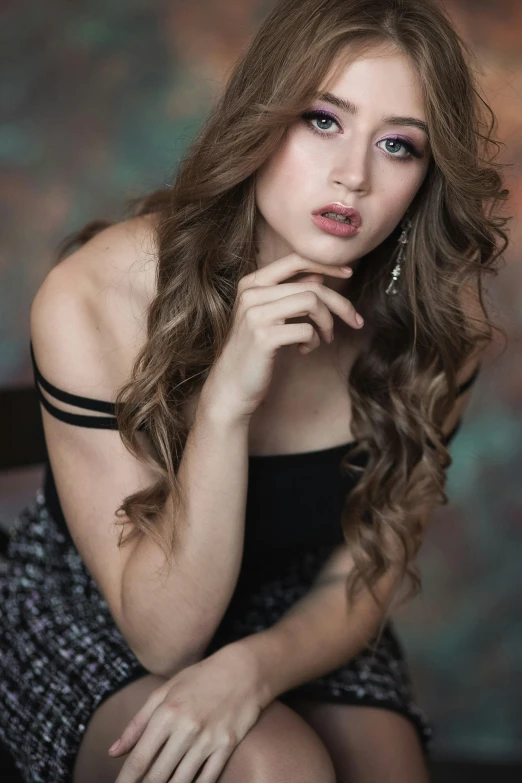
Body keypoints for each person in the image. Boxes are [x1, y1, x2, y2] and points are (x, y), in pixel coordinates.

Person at [0, 0, 510, 781]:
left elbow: (364, 568)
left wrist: (254, 669)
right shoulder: (95, 296)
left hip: (294, 599)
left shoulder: (438, 323)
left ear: (424, 176)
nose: (354, 175)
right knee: (276, 765)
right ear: (262, 117)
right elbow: (162, 637)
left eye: (398, 145)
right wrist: (228, 401)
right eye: (323, 120)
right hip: (108, 600)